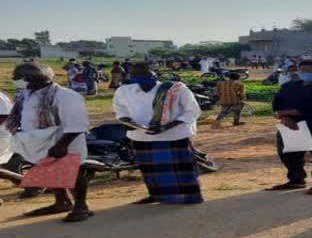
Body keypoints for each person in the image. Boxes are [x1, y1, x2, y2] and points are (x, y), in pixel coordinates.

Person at [7, 63, 92, 222]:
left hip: (64, 140)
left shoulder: (65, 95)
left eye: (16, 78)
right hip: (40, 141)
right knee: (50, 171)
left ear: (29, 78)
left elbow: (77, 123)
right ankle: (62, 202)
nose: (14, 81)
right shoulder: (28, 94)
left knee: (72, 171)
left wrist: (62, 145)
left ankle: (81, 206)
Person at [113, 63, 204, 204]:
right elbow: (120, 111)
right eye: (137, 75)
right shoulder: (124, 91)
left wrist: (166, 127)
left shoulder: (175, 89)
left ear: (154, 73)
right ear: (131, 76)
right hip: (141, 136)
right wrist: (127, 123)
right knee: (151, 171)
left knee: (181, 169)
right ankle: (157, 196)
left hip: (173, 135)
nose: (142, 79)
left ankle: (190, 197)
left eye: (146, 75)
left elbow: (192, 111)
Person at [269, 59, 312, 195]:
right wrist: (285, 118)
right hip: (292, 125)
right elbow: (277, 104)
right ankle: (296, 180)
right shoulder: (289, 86)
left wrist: (286, 113)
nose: (307, 73)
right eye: (303, 70)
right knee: (289, 154)